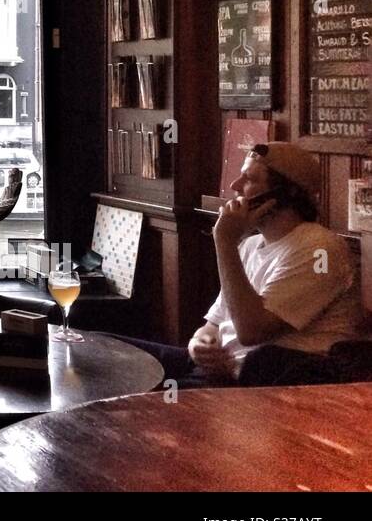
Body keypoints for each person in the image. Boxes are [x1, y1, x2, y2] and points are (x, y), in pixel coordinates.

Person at [122, 142, 364, 387]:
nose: (234, 186)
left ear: (284, 194)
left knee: (135, 392)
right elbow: (213, 325)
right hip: (211, 368)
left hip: (251, 384)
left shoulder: (319, 249)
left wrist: (224, 241)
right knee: (102, 350)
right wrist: (198, 345)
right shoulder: (251, 245)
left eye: (248, 179)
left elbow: (252, 331)